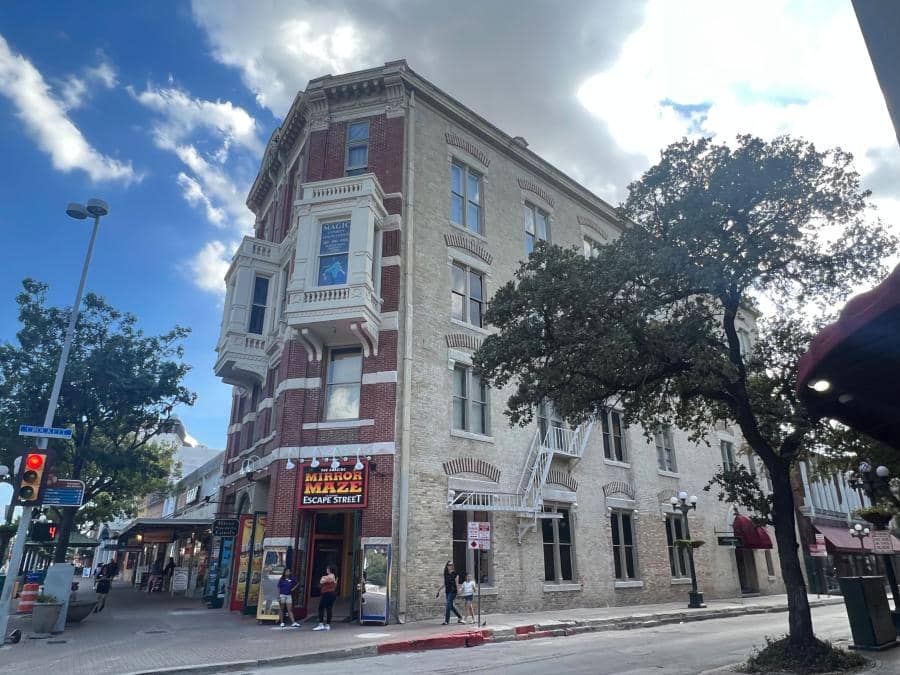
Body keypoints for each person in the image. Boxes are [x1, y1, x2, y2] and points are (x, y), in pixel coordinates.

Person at [313, 565, 338, 631]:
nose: (326, 570)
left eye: (327, 569)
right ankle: (327, 625)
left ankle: (321, 624)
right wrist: (324, 578)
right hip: (332, 593)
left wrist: (323, 577)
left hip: (327, 593)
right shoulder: (334, 576)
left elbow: (321, 581)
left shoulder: (330, 576)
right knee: (329, 608)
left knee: (321, 607)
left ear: (330, 569)